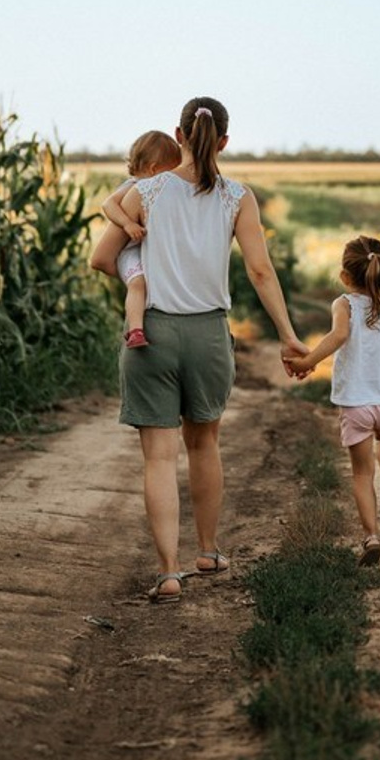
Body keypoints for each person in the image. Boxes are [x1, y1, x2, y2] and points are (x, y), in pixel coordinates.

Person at [90, 97, 308, 603]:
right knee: (204, 445)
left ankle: (169, 571)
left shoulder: (145, 191)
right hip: (209, 335)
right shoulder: (239, 197)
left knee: (158, 460)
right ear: (225, 142)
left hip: (154, 337)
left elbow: (102, 258)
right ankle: (208, 551)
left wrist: (136, 264)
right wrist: (288, 333)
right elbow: (259, 271)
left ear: (179, 135)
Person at [287, 235, 380, 567]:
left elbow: (339, 335)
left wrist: (308, 361)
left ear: (345, 276)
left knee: (359, 473)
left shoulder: (343, 304)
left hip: (356, 403)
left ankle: (371, 537)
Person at [99, 130, 183, 348]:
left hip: (138, 249)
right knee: (138, 284)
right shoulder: (134, 186)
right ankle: (135, 330)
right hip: (128, 251)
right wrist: (127, 224)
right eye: (171, 171)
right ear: (154, 169)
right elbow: (108, 204)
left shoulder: (153, 193)